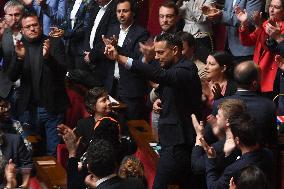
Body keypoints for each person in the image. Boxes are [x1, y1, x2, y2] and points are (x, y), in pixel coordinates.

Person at [104, 33, 202, 189]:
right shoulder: (174, 67)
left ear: (175, 50)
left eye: (160, 52)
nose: (156, 57)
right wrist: (160, 100)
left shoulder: (187, 69)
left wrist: (119, 57)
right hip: (170, 139)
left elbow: (160, 76)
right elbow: (168, 88)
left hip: (179, 143)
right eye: (155, 52)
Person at [7, 13, 69, 156]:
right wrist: (19, 58)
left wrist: (48, 58)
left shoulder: (54, 43)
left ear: (40, 26)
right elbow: (11, 76)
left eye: (35, 25)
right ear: (22, 30)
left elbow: (62, 72)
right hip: (29, 109)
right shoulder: (19, 45)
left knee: (52, 151)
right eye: (28, 27)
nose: (32, 29)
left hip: (52, 108)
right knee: (30, 151)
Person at [101, 0, 149, 120]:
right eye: (119, 11)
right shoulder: (112, 29)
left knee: (131, 126)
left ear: (132, 13)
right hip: (112, 85)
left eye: (125, 11)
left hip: (131, 88)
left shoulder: (141, 33)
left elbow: (137, 59)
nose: (121, 14)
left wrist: (118, 48)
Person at [210, 61, 277, 145]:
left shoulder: (219, 104)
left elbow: (209, 137)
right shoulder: (269, 106)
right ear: (254, 84)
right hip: (258, 155)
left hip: (226, 155)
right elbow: (272, 140)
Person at [202, 112, 273, 188]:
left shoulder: (234, 169)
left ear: (237, 140)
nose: (228, 135)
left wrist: (211, 159)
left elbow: (213, 187)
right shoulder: (268, 153)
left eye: (230, 133)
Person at [236, 0, 284, 95]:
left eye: (276, 7)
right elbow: (247, 41)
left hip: (271, 76)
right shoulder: (266, 23)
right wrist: (244, 23)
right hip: (258, 74)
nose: (271, 10)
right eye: (270, 6)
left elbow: (269, 47)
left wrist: (259, 26)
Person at [0, 0, 24, 100]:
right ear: (5, 17)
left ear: (23, 15)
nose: (14, 18)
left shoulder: (31, 33)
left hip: (26, 90)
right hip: (6, 91)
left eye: (17, 14)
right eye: (10, 15)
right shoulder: (2, 35)